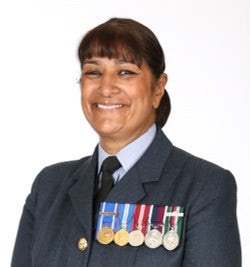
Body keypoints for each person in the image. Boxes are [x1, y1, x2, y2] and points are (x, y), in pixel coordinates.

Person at [11, 18, 241, 266]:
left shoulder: (203, 187)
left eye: (125, 72)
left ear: (157, 89)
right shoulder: (49, 185)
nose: (106, 88)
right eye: (93, 72)